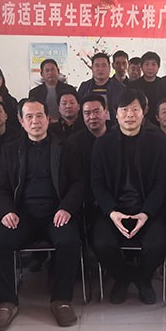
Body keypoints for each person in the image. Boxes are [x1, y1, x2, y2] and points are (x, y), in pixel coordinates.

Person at [0, 98, 84, 331]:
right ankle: (7, 301)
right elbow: (1, 186)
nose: (35, 121)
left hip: (56, 213)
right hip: (22, 214)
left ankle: (61, 299)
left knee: (69, 241)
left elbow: (78, 183)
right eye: (29, 117)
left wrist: (66, 208)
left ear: (48, 118)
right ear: (21, 121)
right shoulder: (10, 149)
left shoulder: (66, 147)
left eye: (39, 115)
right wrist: (7, 211)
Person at [90, 89, 166, 305]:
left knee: (158, 244)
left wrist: (146, 213)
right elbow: (97, 184)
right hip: (113, 210)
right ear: (115, 114)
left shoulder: (159, 143)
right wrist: (112, 212)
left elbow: (161, 183)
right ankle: (123, 277)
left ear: (144, 113)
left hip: (147, 210)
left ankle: (143, 278)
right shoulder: (103, 144)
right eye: (124, 109)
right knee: (101, 243)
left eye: (135, 109)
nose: (130, 115)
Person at [69, 94, 110, 229]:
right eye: (87, 113)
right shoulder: (74, 142)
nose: (92, 117)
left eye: (97, 112)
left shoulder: (117, 137)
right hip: (86, 198)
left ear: (106, 112)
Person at [78, 52, 126, 121]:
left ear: (109, 68)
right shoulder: (84, 87)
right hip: (89, 124)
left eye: (104, 65)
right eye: (97, 66)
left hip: (113, 125)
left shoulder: (120, 88)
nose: (100, 69)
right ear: (92, 68)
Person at [129, 51, 166, 124]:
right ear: (142, 67)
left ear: (158, 67)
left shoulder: (165, 84)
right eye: (147, 64)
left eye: (153, 64)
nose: (150, 68)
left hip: (161, 122)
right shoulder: (133, 86)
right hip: (139, 122)